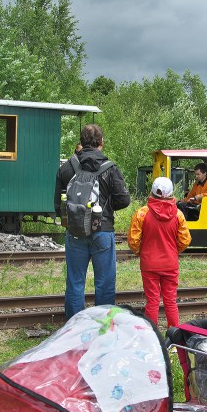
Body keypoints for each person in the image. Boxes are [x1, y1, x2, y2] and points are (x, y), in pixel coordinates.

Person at [54, 124, 130, 319]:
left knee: (75, 282)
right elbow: (124, 200)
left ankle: (73, 327)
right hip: (102, 231)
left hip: (75, 231)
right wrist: (105, 209)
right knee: (104, 283)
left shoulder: (67, 167)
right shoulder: (110, 168)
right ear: (101, 142)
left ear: (81, 141)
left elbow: (57, 203)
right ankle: (102, 328)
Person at [127, 177, 191, 328]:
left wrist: (141, 253)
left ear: (152, 192)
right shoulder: (178, 214)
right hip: (170, 263)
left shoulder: (142, 213)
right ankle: (174, 337)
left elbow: (133, 241)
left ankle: (152, 335)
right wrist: (173, 252)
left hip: (149, 264)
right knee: (170, 301)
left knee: (152, 301)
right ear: (171, 193)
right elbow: (185, 240)